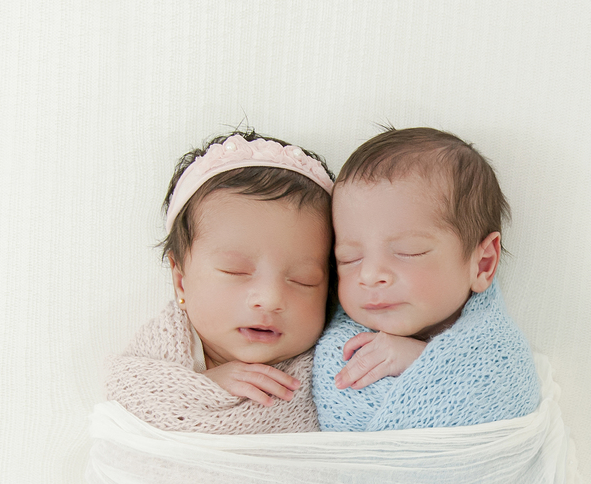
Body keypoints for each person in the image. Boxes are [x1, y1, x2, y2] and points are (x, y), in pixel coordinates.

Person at [313, 127, 540, 431]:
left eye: (409, 251)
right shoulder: (338, 348)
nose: (369, 275)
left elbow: (506, 398)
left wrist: (423, 359)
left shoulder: (498, 354)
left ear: (482, 264)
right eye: (349, 259)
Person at [106, 130, 334, 434]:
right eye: (235, 271)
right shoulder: (167, 345)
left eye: (303, 280)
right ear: (181, 281)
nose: (270, 298)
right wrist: (202, 387)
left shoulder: (330, 361)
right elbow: (124, 395)